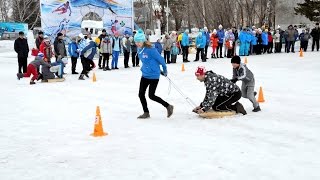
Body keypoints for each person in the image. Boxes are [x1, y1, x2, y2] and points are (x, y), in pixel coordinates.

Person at [134, 29, 174, 119]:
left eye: (139, 42)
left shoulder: (151, 50)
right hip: (145, 74)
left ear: (143, 41)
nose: (137, 44)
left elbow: (161, 60)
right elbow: (147, 61)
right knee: (141, 94)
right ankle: (146, 112)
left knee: (151, 95)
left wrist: (164, 70)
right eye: (136, 42)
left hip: (154, 76)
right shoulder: (139, 49)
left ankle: (168, 106)